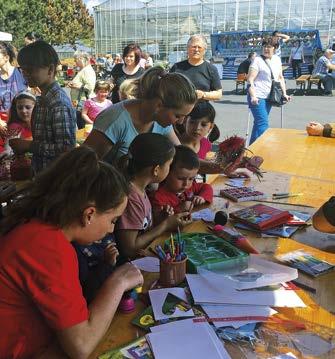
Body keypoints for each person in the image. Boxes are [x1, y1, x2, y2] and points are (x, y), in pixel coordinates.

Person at [0, 146, 143, 358]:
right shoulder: (49, 246)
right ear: (89, 214)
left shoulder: (40, 227)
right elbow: (81, 346)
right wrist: (118, 281)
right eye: (113, 220)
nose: (112, 229)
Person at [83, 66, 197, 160]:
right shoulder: (115, 120)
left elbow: (182, 158)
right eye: (178, 116)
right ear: (159, 105)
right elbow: (82, 166)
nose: (181, 122)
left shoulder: (161, 120)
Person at [115, 133, 192, 259]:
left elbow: (142, 227)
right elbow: (129, 249)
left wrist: (160, 219)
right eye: (169, 164)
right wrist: (165, 225)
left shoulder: (140, 189)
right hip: (133, 265)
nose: (169, 168)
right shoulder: (132, 197)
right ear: (156, 169)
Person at [10, 41, 76, 173]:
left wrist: (28, 145)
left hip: (55, 179)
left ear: (50, 69)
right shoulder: (42, 99)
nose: (25, 74)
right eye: (23, 70)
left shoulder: (58, 103)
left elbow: (66, 149)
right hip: (42, 175)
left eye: (31, 70)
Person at [150, 145, 213, 222]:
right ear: (167, 172)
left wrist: (202, 197)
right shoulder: (158, 198)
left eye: (191, 178)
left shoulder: (190, 187)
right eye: (181, 178)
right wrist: (179, 209)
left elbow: (207, 187)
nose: (186, 183)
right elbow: (158, 222)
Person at [247, 37, 291, 145]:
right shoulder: (257, 60)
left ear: (275, 48)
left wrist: (284, 93)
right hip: (257, 96)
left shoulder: (277, 59)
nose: (266, 49)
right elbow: (250, 79)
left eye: (269, 46)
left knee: (258, 123)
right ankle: (267, 147)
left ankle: (251, 150)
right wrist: (253, 96)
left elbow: (280, 77)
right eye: (264, 46)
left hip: (269, 96)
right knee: (263, 123)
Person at [170, 34, 222, 101]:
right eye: (193, 47)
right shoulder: (176, 67)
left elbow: (218, 94)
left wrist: (203, 94)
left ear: (204, 50)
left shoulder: (211, 69)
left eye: (199, 47)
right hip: (180, 109)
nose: (196, 50)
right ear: (188, 49)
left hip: (202, 109)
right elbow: (167, 88)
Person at [0, 42, 27, 113]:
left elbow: (37, 92)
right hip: (3, 120)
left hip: (22, 120)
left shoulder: (22, 73)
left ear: (6, 57)